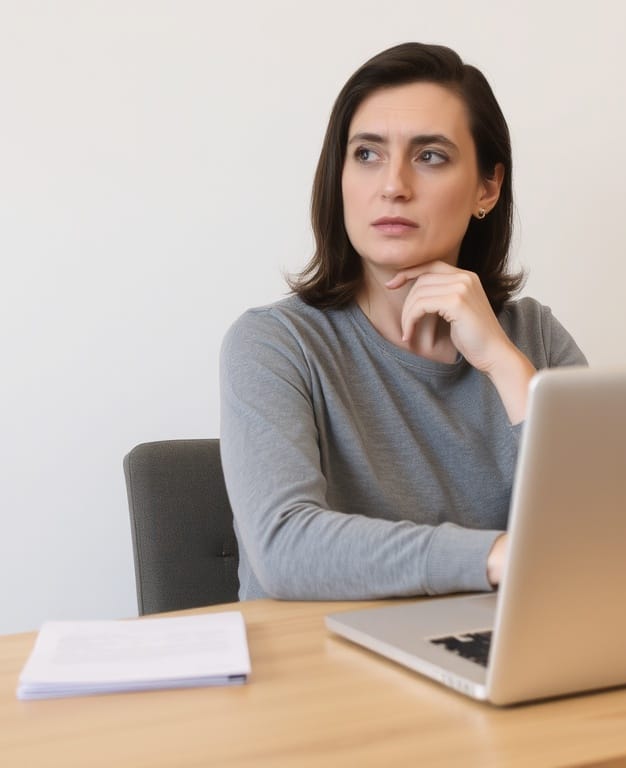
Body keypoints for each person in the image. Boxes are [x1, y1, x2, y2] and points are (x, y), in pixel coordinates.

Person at [219, 42, 586, 601]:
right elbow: (284, 546)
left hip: (495, 654)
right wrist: (495, 555)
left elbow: (601, 530)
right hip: (319, 672)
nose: (393, 185)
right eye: (366, 154)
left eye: (430, 155)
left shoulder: (534, 338)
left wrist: (505, 367)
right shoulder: (275, 344)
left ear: (487, 188)